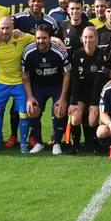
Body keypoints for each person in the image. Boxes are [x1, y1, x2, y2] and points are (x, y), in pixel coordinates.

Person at [22, 26, 71, 154]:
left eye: (44, 38)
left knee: (59, 110)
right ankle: (38, 143)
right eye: (38, 38)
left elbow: (67, 74)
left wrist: (62, 98)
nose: (41, 41)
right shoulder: (28, 51)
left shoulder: (59, 51)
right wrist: (29, 97)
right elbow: (25, 75)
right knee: (32, 110)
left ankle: (57, 143)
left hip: (56, 85)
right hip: (38, 86)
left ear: (50, 38)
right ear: (35, 38)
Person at [0, 16, 36, 153]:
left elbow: (41, 38)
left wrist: (58, 41)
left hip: (19, 84)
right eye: (2, 28)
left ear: (13, 27)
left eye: (7, 28)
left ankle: (23, 143)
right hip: (1, 83)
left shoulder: (23, 38)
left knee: (23, 113)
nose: (5, 31)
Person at [69, 25, 111, 154]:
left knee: (92, 119)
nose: (88, 40)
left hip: (96, 93)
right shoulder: (77, 54)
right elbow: (74, 79)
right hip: (81, 92)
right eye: (86, 37)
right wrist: (73, 102)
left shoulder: (101, 55)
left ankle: (94, 146)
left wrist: (94, 104)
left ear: (96, 39)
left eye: (91, 37)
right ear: (82, 39)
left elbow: (98, 81)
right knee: (75, 118)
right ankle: (75, 146)